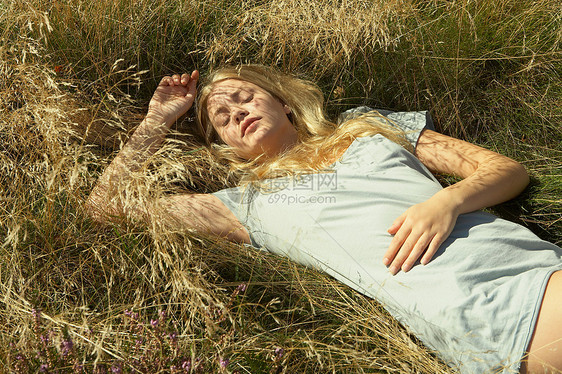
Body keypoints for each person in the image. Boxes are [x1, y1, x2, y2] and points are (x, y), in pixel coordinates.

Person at [86, 65, 562, 373]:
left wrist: (447, 203)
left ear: (282, 101)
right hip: (468, 323)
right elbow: (104, 206)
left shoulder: (370, 126)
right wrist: (157, 121)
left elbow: (505, 170)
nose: (238, 113)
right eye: (224, 117)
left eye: (246, 97)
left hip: (529, 272)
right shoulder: (244, 205)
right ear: (224, 145)